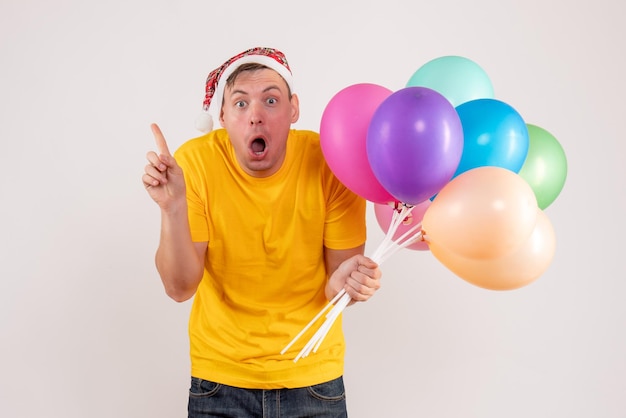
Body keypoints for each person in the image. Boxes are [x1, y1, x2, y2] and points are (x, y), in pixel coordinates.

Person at [142, 46, 382, 418]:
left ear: (294, 110)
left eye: (271, 100)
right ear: (220, 115)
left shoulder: (331, 163)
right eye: (240, 104)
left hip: (313, 381)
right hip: (219, 382)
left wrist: (344, 288)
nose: (255, 116)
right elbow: (179, 288)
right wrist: (172, 208)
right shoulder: (195, 164)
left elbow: (339, 284)